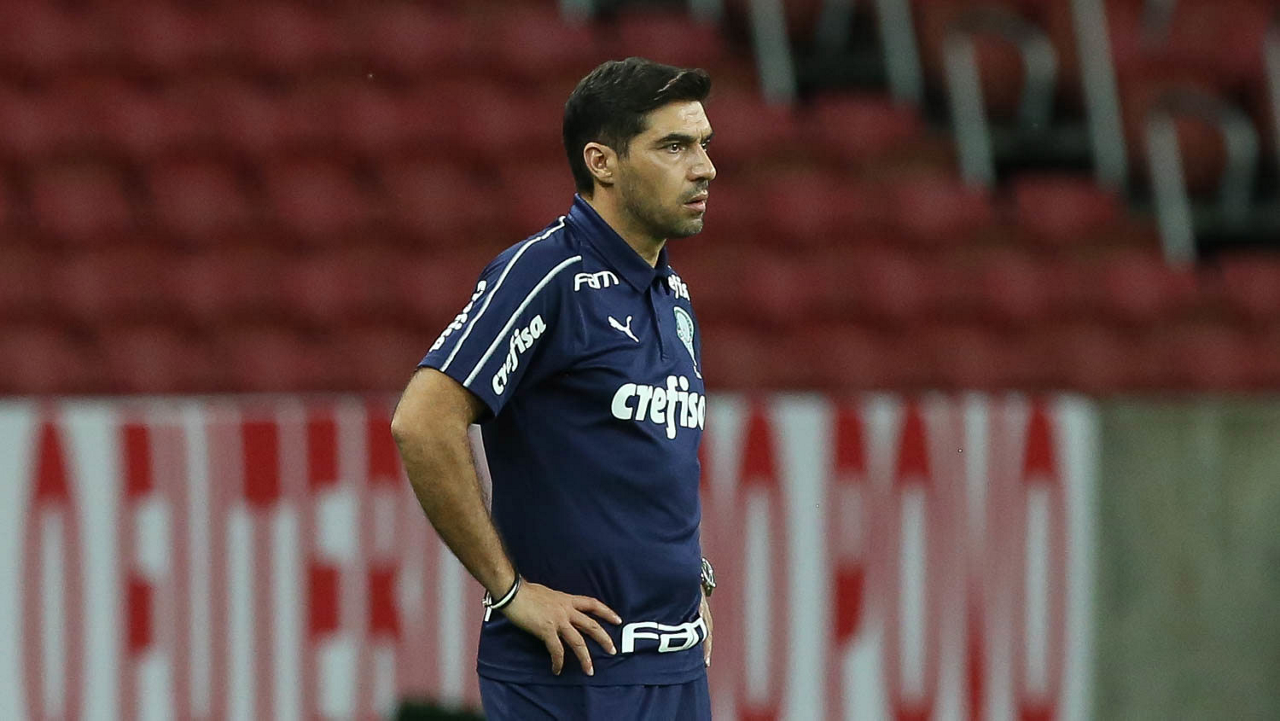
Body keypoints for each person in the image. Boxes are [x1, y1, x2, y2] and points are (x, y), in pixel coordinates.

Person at [390, 57, 719, 720]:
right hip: (573, 675)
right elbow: (422, 421)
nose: (705, 167)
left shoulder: (672, 292)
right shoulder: (547, 274)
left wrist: (691, 575)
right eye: (674, 147)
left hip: (675, 668)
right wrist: (510, 590)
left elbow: (645, 459)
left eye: (704, 144)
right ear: (602, 162)